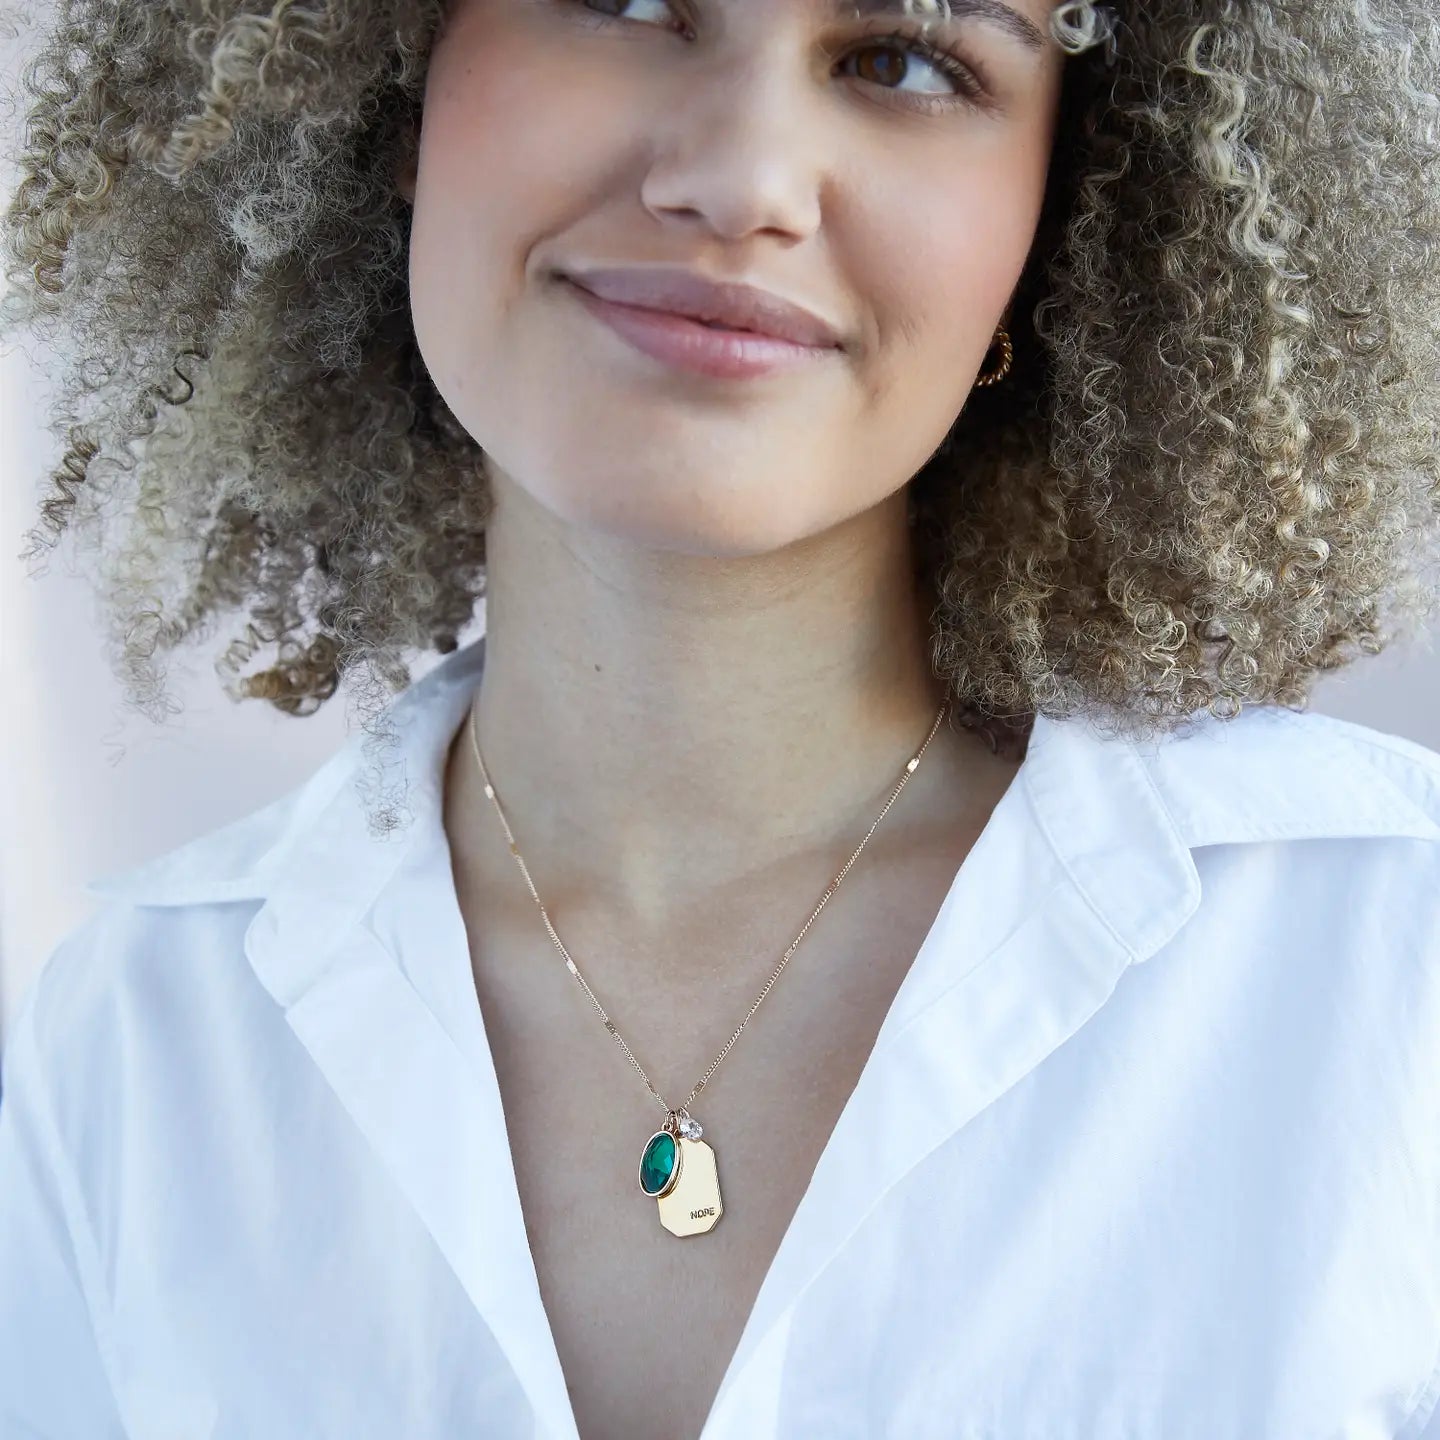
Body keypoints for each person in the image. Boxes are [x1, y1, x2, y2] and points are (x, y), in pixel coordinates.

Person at [1, 0, 1439, 1436]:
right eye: (630, 3)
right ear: (395, 83)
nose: (743, 180)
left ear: (1061, 213)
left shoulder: (1392, 959)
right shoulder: (122, 1058)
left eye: (904, 61)